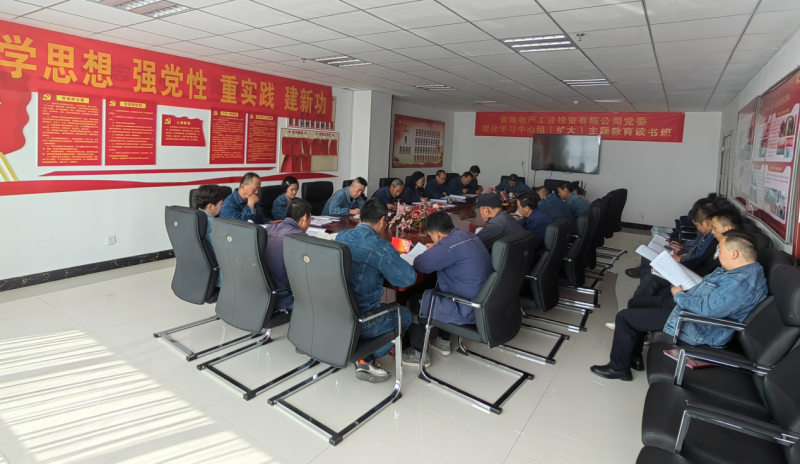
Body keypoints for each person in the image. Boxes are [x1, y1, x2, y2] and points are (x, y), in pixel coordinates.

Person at [591, 230, 767, 381]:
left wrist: (679, 295)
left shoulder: (740, 283)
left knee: (624, 318)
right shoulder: (740, 272)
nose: (717, 255)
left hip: (693, 322)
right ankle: (634, 355)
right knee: (636, 302)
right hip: (687, 308)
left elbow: (707, 309)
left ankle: (619, 368)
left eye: (719, 251)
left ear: (734, 254)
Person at [335, 199, 415, 383]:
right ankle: (365, 357)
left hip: (337, 313)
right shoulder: (381, 247)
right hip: (363, 321)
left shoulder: (342, 236)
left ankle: (350, 346)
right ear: (382, 221)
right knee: (404, 314)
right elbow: (407, 279)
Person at [402, 212, 494, 367]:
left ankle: (419, 354)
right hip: (484, 300)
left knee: (414, 304)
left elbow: (420, 264)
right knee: (445, 292)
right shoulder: (468, 236)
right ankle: (442, 341)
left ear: (436, 235)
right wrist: (438, 248)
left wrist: (435, 250)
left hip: (468, 309)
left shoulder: (448, 246)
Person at [263, 199, 312, 312]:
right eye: (311, 218)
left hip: (264, 294)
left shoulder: (269, 228)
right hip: (284, 298)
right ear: (305, 217)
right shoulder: (298, 238)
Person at [193, 184, 226, 287]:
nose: (222, 206)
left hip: (198, 273)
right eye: (220, 203)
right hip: (220, 277)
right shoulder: (213, 225)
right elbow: (225, 252)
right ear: (210, 206)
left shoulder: (193, 218)